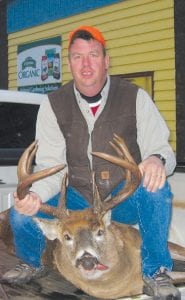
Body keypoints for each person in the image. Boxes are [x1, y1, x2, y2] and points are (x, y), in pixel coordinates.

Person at [2, 25, 179, 299]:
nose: (86, 64)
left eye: (93, 55)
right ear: (69, 63)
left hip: (120, 199)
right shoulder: (53, 105)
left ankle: (154, 270)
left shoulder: (134, 97)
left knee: (156, 189)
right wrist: (35, 196)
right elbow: (51, 165)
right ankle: (32, 263)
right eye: (77, 57)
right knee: (20, 213)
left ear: (106, 61)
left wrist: (156, 159)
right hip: (75, 200)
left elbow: (161, 149)